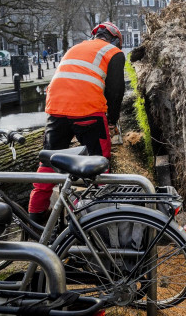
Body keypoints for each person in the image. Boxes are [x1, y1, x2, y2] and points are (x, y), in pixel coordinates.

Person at [27, 22, 126, 223]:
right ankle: (101, 216)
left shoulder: (75, 48)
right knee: (100, 163)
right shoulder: (113, 52)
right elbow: (115, 91)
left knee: (48, 161)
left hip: (56, 108)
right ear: (115, 40)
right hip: (87, 109)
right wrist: (112, 121)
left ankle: (35, 214)